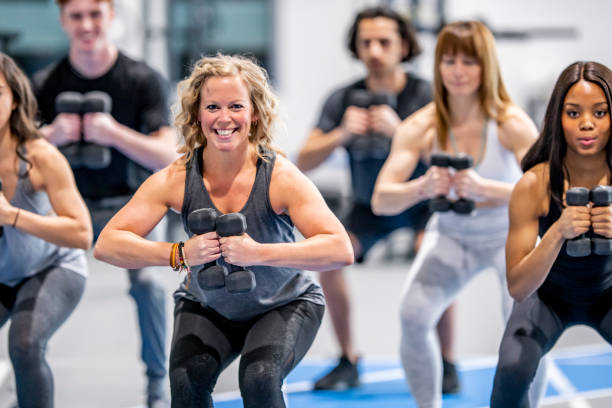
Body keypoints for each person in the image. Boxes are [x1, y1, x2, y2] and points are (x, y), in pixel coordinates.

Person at [93, 53, 354, 407]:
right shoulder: (177, 177)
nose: (224, 118)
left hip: (285, 304)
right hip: (208, 305)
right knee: (186, 385)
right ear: (198, 115)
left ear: (255, 112)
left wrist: (258, 253)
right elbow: (108, 243)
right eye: (213, 106)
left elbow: (340, 248)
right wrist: (179, 254)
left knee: (259, 379)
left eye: (236, 106)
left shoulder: (280, 177)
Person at [371, 21, 548, 408]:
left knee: (526, 328)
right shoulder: (422, 125)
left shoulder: (510, 123)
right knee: (413, 317)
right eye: (449, 60)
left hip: (508, 235)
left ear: (486, 66)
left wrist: (489, 190)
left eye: (468, 61)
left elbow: (549, 195)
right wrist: (422, 187)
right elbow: (381, 200)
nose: (458, 71)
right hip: (451, 234)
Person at [297, 6, 460, 392]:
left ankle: (448, 361)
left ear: (403, 46)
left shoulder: (425, 94)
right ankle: (348, 358)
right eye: (366, 42)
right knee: (330, 257)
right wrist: (340, 134)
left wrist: (401, 131)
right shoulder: (343, 98)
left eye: (383, 42)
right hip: (367, 206)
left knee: (438, 254)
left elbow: (450, 160)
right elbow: (303, 159)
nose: (374, 50)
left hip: (421, 202)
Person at [30, 0, 178, 406]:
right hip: (66, 209)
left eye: (95, 14)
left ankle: (157, 387)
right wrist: (49, 137)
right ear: (63, 20)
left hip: (130, 206)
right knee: (20, 277)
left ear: (112, 17)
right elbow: (17, 153)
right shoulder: (45, 83)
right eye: (76, 16)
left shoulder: (142, 79)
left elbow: (167, 157)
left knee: (148, 284)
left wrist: (114, 134)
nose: (87, 24)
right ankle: (24, 368)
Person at [490, 61, 612, 407]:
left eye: (600, 112)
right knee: (512, 370)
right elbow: (518, 287)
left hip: (608, 294)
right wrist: (558, 231)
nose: (587, 123)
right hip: (548, 299)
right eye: (574, 113)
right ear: (558, 118)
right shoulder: (534, 185)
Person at [0, 52, 92, 408]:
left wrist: (12, 216)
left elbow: (82, 233)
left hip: (52, 268)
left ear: (15, 101)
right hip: (5, 271)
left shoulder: (40, 157)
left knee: (24, 345)